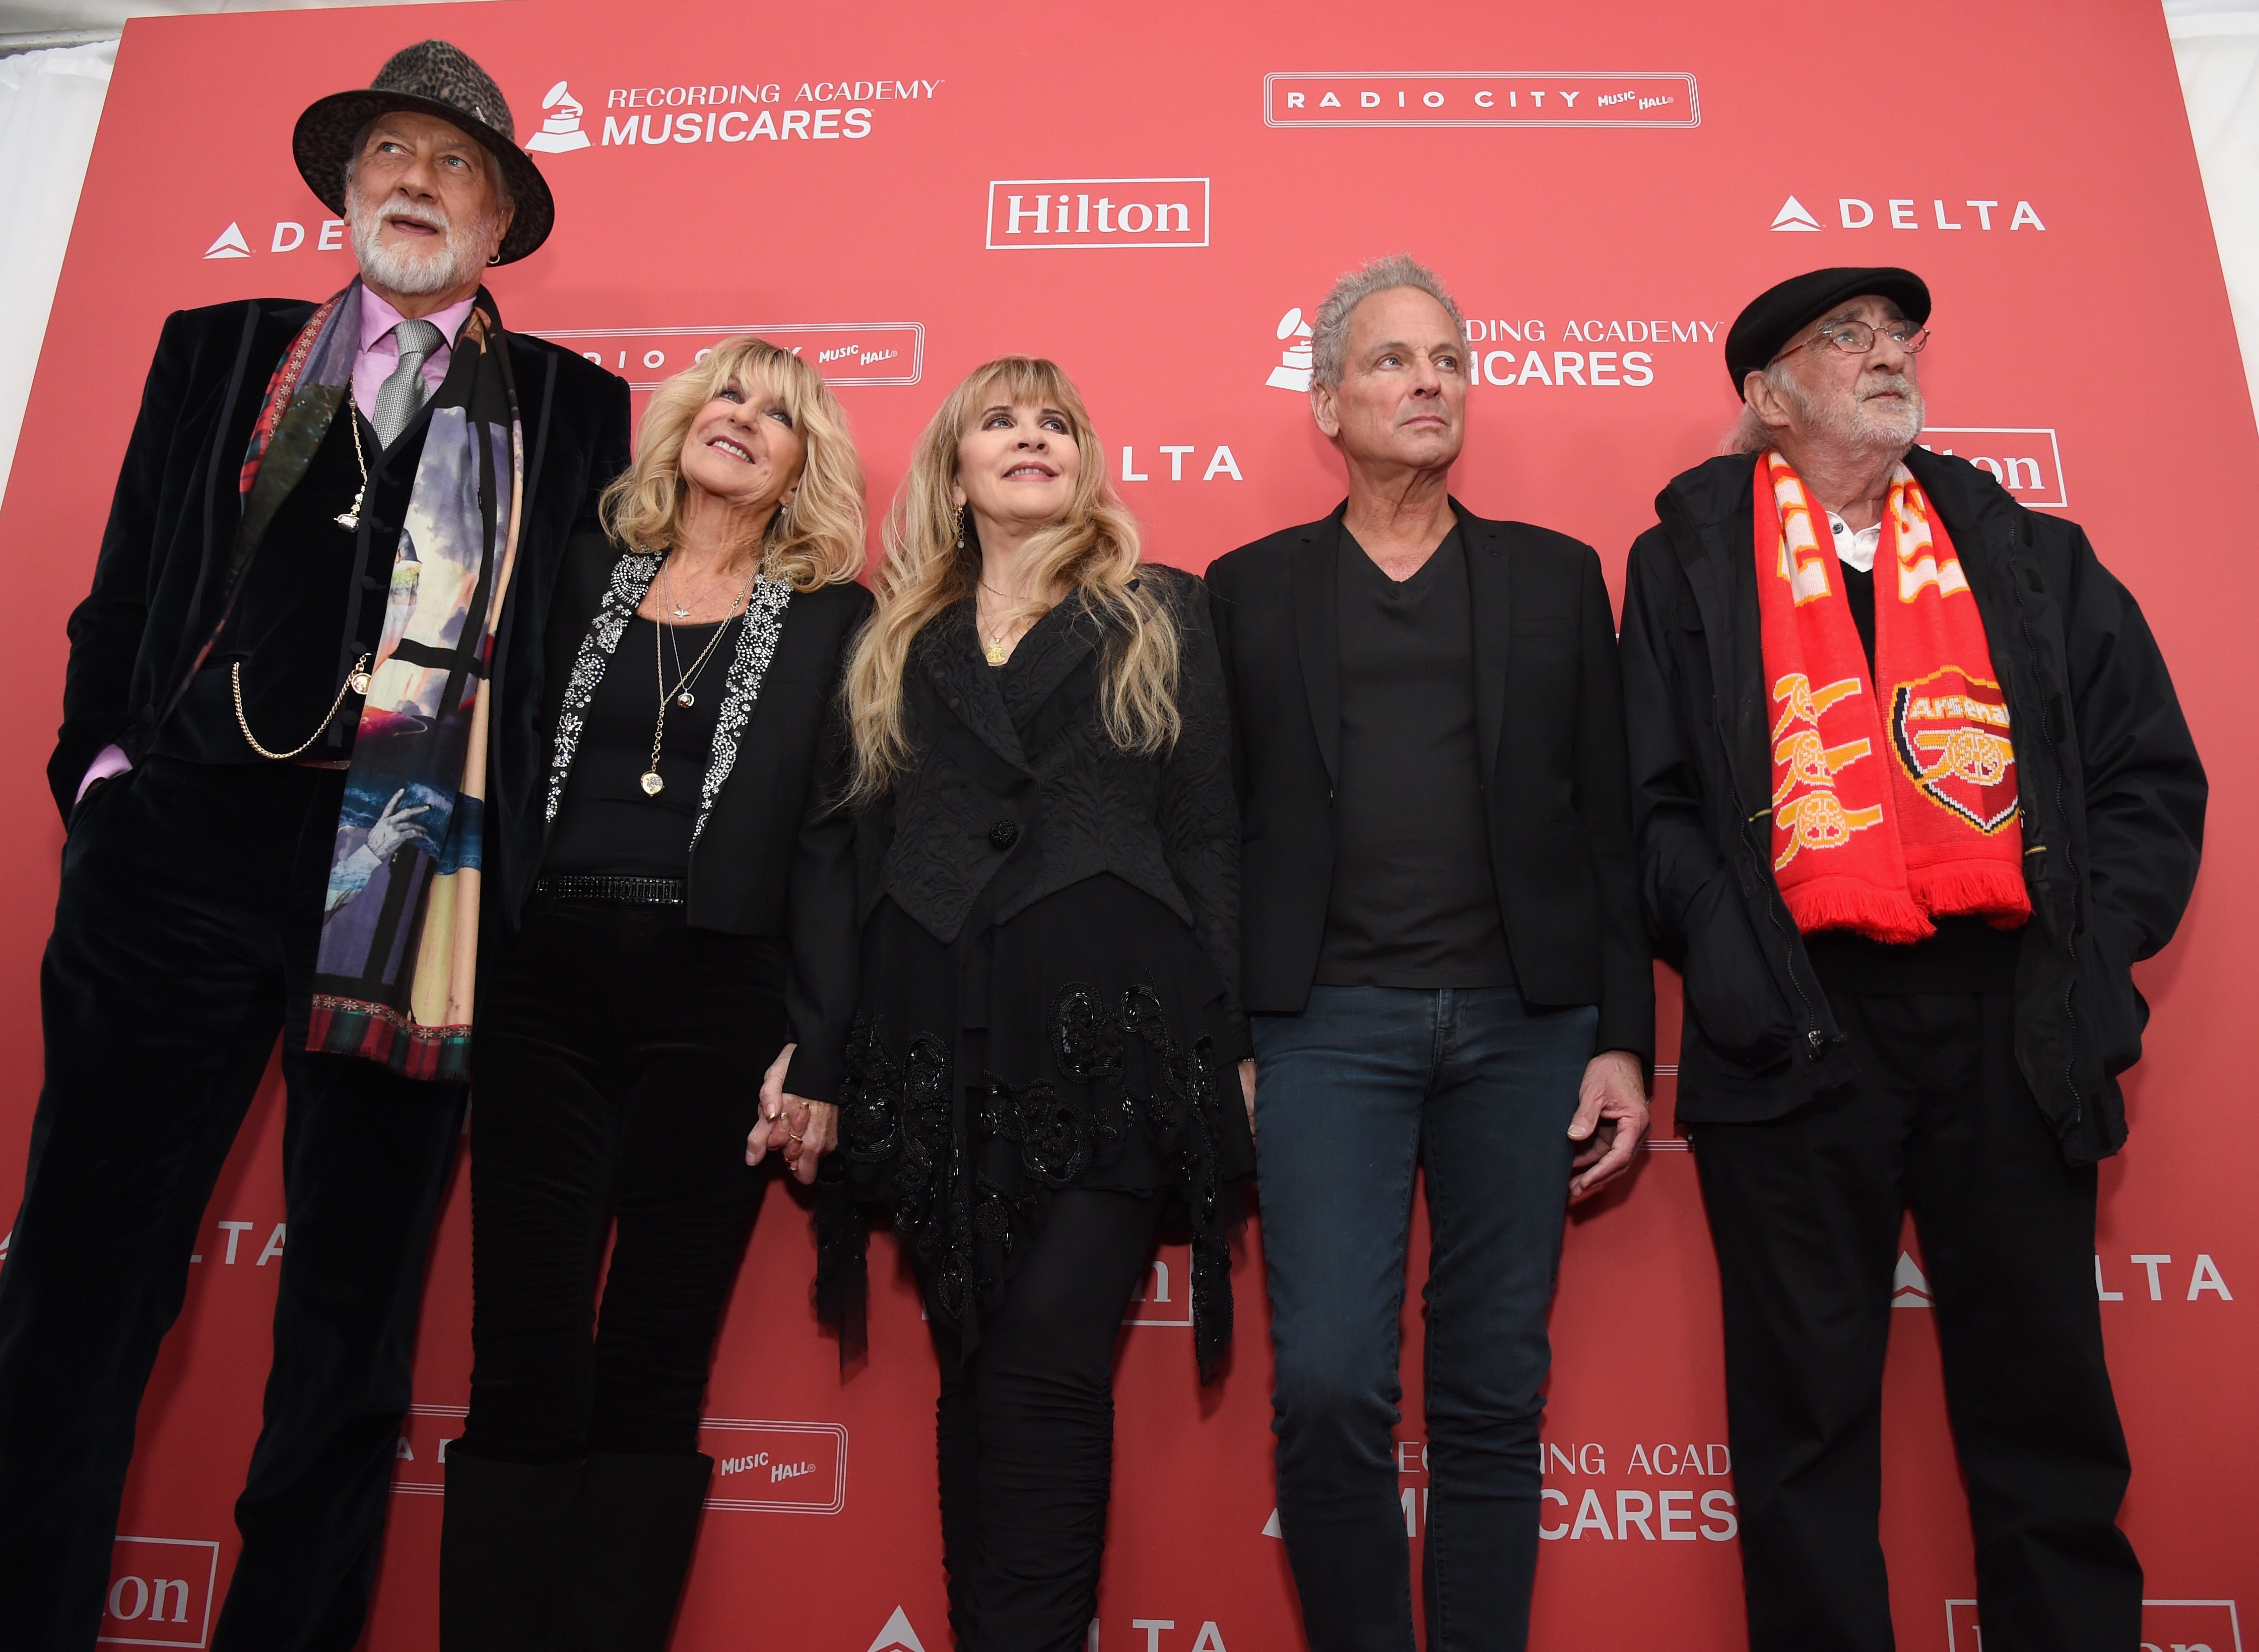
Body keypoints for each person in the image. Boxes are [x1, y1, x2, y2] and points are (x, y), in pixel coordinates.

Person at [0, 42, 631, 1652]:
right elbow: (125, 588)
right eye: (388, 151)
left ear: (503, 213)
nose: (414, 180)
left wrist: (503, 877)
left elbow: (564, 674)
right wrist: (106, 779)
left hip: (408, 864)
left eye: (452, 164)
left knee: (348, 1333)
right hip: (177, 853)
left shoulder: (576, 413)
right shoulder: (223, 350)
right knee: (78, 1296)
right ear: (342, 185)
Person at [1619, 266, 2206, 1652]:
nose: (1886, 355)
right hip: (1799, 1026)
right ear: (1766, 399)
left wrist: (2088, 952)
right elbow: (1649, 810)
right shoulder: (1688, 563)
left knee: (2045, 1412)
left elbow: (2147, 781)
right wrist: (1736, 950)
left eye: (1898, 336)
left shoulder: (2027, 553)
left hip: (2011, 1021)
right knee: (1804, 1431)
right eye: (1846, 339)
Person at [749, 356, 1254, 1652]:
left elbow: (1208, 839)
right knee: (971, 1367)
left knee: (1040, 1369)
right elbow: (846, 852)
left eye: (1057, 421)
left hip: (1117, 1041)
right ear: (954, 467)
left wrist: (1232, 1045)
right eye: (1000, 419)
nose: (1031, 438)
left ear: (1086, 460)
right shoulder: (888, 631)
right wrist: (819, 1051)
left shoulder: (1163, 610)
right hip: (931, 1040)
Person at [1204, 254, 1653, 1652]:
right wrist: (1227, 1041)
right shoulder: (1246, 589)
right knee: (1331, 1381)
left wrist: (1625, 1036)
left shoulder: (1557, 577)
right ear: (1327, 400)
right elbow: (1213, 836)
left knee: (1493, 1388)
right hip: (1324, 1027)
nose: (1431, 383)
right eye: (1395, 361)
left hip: (1527, 1030)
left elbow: (1611, 826)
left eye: (1450, 360)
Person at [439, 340, 872, 1650]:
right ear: (680, 424)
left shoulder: (836, 620)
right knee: (524, 1344)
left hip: (722, 997)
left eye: (779, 415)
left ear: (804, 470)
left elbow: (838, 849)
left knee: (656, 1354)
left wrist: (822, 1051)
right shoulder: (570, 577)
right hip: (540, 983)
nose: (743, 420)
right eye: (725, 397)